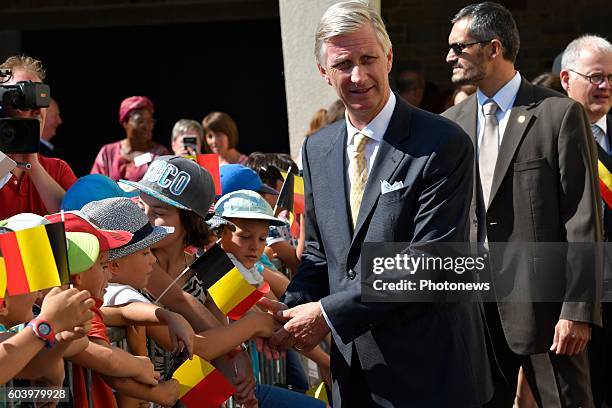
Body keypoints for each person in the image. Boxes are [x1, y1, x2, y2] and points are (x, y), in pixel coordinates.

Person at [264, 2, 492, 406]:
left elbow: (432, 259)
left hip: (432, 377)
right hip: (355, 380)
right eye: (343, 63)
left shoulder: (442, 143)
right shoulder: (317, 149)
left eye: (368, 59)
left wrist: (326, 315)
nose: (358, 75)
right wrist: (289, 312)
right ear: (324, 72)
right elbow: (320, 256)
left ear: (388, 57)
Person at [442, 3, 602, 407]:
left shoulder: (558, 114)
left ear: (493, 48)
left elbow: (582, 219)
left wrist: (577, 308)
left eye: (459, 48)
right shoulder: (450, 123)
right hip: (474, 309)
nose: (450, 58)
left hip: (546, 312)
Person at [560, 34, 612, 407]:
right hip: (572, 305)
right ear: (567, 79)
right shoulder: (542, 133)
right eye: (596, 77)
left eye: (611, 77)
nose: (605, 85)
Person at [0, 55, 77, 219]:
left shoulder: (57, 170)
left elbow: (77, 222)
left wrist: (33, 166)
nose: (36, 109)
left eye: (39, 97)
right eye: (22, 96)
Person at [91, 96, 170, 182]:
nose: (147, 126)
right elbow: (95, 184)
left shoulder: (160, 154)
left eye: (150, 121)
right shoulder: (108, 152)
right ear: (125, 123)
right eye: (140, 121)